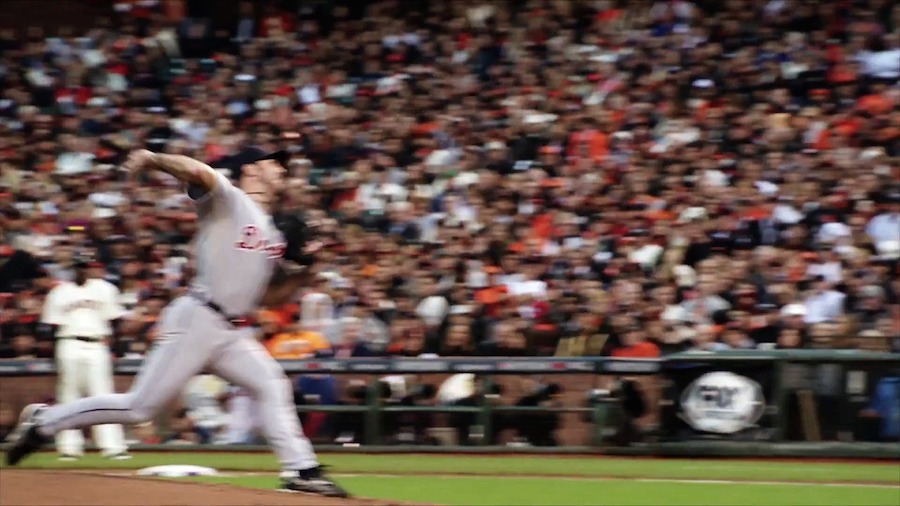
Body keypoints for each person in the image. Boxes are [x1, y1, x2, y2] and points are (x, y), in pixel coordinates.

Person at [6, 148, 348, 497]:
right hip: (198, 317)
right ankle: (44, 422)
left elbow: (269, 298)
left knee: (271, 384)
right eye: (274, 163)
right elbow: (198, 171)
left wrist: (308, 267)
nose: (281, 169)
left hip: (231, 330)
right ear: (252, 168)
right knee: (140, 407)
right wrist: (153, 158)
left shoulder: (273, 233)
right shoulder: (231, 198)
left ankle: (301, 470)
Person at [40, 254, 129, 460]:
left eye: (86, 266)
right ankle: (69, 448)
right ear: (73, 268)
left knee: (104, 396)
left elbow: (115, 320)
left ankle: (113, 447)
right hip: (68, 343)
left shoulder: (106, 289)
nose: (82, 270)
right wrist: (55, 354)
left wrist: (114, 346)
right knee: (68, 396)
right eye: (79, 266)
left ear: (91, 267)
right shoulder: (59, 292)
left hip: (97, 343)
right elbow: (52, 326)